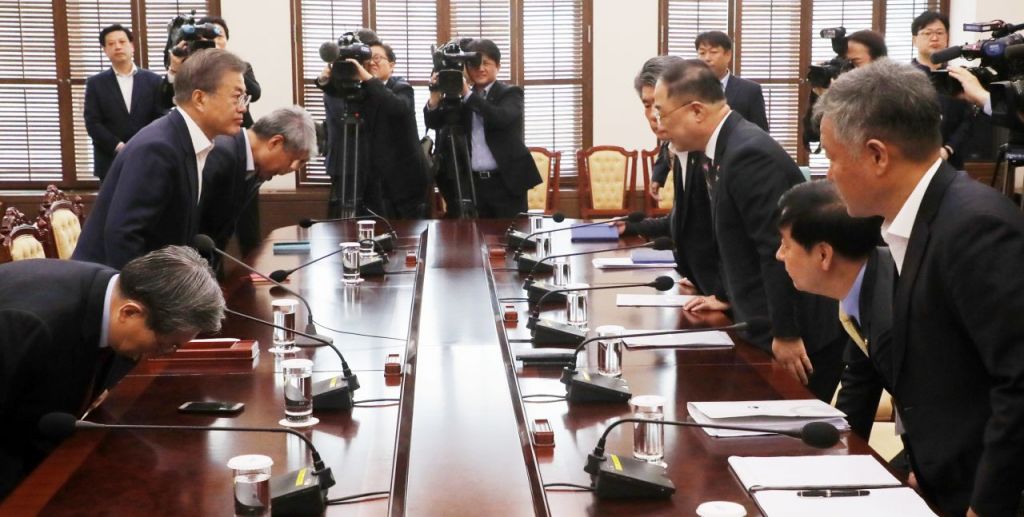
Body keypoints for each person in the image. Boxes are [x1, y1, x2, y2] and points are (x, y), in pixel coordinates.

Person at [814, 58, 1024, 516]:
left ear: (877, 155)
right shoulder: (913, 222)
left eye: (832, 157)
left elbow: (1017, 382)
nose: (828, 174)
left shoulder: (974, 226)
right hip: (943, 479)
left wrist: (986, 505)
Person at [655, 59, 845, 402]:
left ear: (696, 111)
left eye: (662, 113)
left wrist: (785, 333)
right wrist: (725, 295)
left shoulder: (748, 153)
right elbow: (731, 237)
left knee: (788, 429)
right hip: (760, 321)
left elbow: (775, 251)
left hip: (798, 334)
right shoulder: (722, 148)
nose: (659, 124)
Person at [0, 245, 225, 500]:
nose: (165, 354)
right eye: (165, 344)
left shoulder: (114, 293)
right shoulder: (30, 323)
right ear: (130, 312)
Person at [74, 49, 249, 269]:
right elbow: (124, 237)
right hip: (107, 283)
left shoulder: (186, 141)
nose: (243, 107)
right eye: (236, 97)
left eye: (245, 98)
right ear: (200, 99)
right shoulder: (159, 148)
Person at [774, 181, 892, 441]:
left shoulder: (892, 312)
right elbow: (860, 382)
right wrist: (838, 447)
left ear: (823, 255)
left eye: (786, 245)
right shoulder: (863, 288)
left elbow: (937, 409)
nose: (779, 255)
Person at [620, 55, 725, 302]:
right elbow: (685, 220)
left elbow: (731, 236)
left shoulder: (711, 153)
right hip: (702, 286)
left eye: (659, 107)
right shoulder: (676, 150)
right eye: (647, 105)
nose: (653, 116)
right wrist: (631, 226)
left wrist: (723, 292)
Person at [424, 38, 542, 218]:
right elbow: (434, 122)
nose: (480, 69)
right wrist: (434, 95)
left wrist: (467, 94)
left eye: (486, 63)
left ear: (498, 66)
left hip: (505, 183)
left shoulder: (511, 93)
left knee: (510, 233)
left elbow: (499, 118)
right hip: (472, 184)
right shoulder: (461, 97)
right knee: (475, 234)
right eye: (474, 64)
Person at [318, 41, 429, 219]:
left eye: (377, 58)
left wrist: (369, 79)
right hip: (373, 178)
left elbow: (397, 107)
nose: (371, 62)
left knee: (403, 229)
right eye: (368, 59)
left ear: (391, 65)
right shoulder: (364, 90)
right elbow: (336, 96)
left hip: (402, 179)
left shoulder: (401, 87)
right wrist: (325, 79)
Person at [200, 106, 317, 254]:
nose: (292, 168)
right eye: (293, 159)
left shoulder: (253, 168)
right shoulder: (220, 154)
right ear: (275, 142)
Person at [83, 24, 166, 182]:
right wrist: (118, 146)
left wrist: (143, 144)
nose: (118, 47)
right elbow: (92, 123)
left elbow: (161, 117)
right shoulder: (95, 83)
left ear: (132, 46)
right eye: (111, 44)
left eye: (122, 42)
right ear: (105, 50)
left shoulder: (154, 80)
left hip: (148, 157)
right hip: (110, 160)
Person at [910, 11, 976, 170]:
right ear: (914, 40)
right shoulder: (902, 77)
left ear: (947, 38)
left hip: (951, 161)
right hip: (913, 161)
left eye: (940, 33)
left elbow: (968, 120)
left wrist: (948, 149)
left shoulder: (958, 76)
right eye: (927, 33)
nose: (934, 38)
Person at [694, 31, 769, 131]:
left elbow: (761, 132)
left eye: (713, 52)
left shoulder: (750, 90)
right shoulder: (688, 89)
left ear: (728, 55)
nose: (707, 58)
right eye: (702, 53)